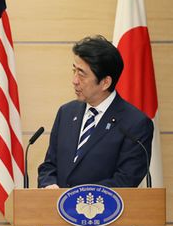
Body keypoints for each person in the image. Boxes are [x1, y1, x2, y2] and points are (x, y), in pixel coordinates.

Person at [38, 35, 153, 188]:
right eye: (74, 70)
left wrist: (76, 196)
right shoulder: (66, 113)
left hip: (101, 209)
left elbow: (125, 180)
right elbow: (49, 165)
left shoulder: (135, 124)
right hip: (57, 208)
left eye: (81, 74)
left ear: (105, 82)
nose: (74, 80)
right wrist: (48, 184)